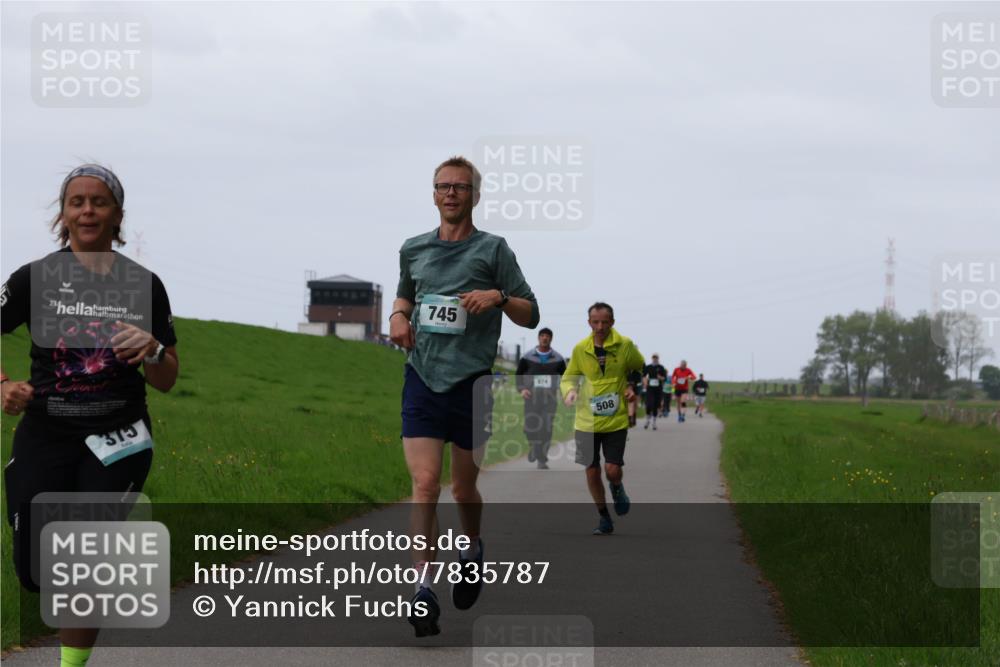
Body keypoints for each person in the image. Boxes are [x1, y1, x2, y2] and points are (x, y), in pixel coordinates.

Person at [1, 164, 178, 667]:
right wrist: (4, 386)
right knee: (36, 569)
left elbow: (167, 377)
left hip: (119, 436)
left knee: (82, 555)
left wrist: (153, 350)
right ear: (63, 214)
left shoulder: (143, 284)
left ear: (117, 214)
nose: (87, 211)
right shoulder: (33, 278)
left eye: (98, 202)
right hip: (46, 430)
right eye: (77, 201)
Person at [389, 156, 539, 637]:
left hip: (473, 383)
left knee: (464, 488)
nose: (451, 193)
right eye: (442, 186)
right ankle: (423, 590)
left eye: (460, 187)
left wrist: (496, 296)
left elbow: (531, 314)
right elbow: (405, 296)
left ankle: (471, 549)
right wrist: (396, 318)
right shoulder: (413, 249)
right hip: (422, 379)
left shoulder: (493, 249)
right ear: (433, 195)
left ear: (475, 195)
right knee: (426, 485)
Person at [560, 303, 644, 535]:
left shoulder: (625, 345)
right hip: (586, 421)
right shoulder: (580, 349)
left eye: (604, 322)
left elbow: (639, 367)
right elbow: (568, 378)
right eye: (595, 322)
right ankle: (604, 516)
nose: (600, 327)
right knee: (591, 471)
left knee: (612, 469)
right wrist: (570, 392)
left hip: (615, 420)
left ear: (612, 322)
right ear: (589, 323)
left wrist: (631, 385)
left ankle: (617, 487)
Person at [515, 328, 567, 469]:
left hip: (549, 400)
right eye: (542, 336)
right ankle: (533, 448)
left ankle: (542, 459)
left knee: (546, 427)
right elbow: (518, 375)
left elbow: (566, 379)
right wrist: (522, 389)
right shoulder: (527, 357)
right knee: (530, 427)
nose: (545, 338)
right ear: (538, 338)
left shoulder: (558, 359)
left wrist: (566, 393)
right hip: (531, 398)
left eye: (547, 336)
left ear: (551, 339)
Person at [642, 354, 667, 430]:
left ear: (658, 359)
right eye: (653, 358)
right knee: (649, 404)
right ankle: (647, 420)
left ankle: (654, 422)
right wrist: (645, 382)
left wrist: (661, 378)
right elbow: (644, 376)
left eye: (656, 358)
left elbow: (664, 378)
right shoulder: (648, 367)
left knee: (655, 405)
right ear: (652, 358)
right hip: (650, 388)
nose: (655, 359)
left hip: (658, 389)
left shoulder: (661, 367)